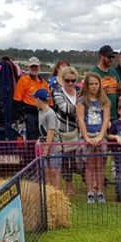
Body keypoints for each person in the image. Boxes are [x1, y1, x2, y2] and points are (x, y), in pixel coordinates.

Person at [76, 72, 110, 204]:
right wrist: (86, 138)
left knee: (100, 165)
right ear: (87, 85)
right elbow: (80, 120)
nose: (94, 86)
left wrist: (101, 136)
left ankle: (100, 192)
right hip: (87, 136)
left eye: (96, 84)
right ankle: (90, 192)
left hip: (100, 136)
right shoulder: (81, 101)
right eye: (91, 84)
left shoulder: (104, 101)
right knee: (89, 165)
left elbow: (106, 120)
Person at [12, 56, 47, 162]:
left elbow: (48, 100)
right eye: (32, 67)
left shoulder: (43, 83)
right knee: (32, 140)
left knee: (43, 138)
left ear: (39, 67)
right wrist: (22, 116)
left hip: (42, 113)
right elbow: (17, 100)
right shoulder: (24, 81)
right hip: (29, 114)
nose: (34, 69)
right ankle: (31, 163)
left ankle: (42, 161)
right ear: (29, 67)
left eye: (36, 66)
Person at [52, 65, 81, 195]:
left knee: (79, 159)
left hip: (80, 130)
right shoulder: (58, 92)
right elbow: (64, 108)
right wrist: (80, 108)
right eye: (67, 80)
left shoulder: (79, 92)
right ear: (62, 79)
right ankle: (69, 186)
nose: (70, 83)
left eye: (73, 80)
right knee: (66, 160)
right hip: (64, 132)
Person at [33, 88, 61, 188]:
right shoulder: (40, 112)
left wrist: (46, 149)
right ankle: (48, 191)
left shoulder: (50, 113)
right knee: (46, 171)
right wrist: (39, 140)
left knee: (54, 171)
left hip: (53, 146)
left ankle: (56, 192)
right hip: (45, 144)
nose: (34, 101)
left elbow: (51, 132)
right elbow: (42, 130)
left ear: (39, 100)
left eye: (35, 99)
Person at [90, 45, 121, 120]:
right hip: (99, 114)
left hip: (114, 114)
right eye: (109, 57)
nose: (111, 59)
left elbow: (119, 87)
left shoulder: (113, 72)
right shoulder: (93, 72)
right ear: (101, 56)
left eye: (113, 57)